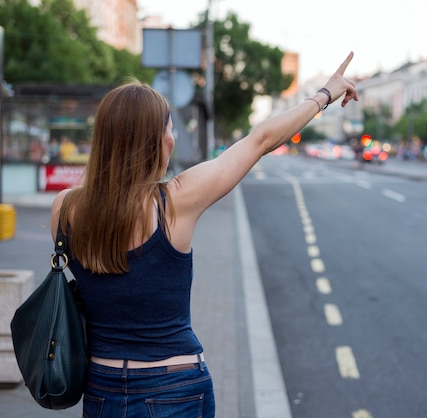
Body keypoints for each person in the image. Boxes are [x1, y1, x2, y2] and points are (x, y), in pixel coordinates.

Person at [50, 51, 358, 418]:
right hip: (175, 389)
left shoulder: (66, 209)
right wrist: (325, 93)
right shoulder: (175, 202)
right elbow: (260, 140)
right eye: (169, 129)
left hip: (101, 390)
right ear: (154, 141)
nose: (173, 138)